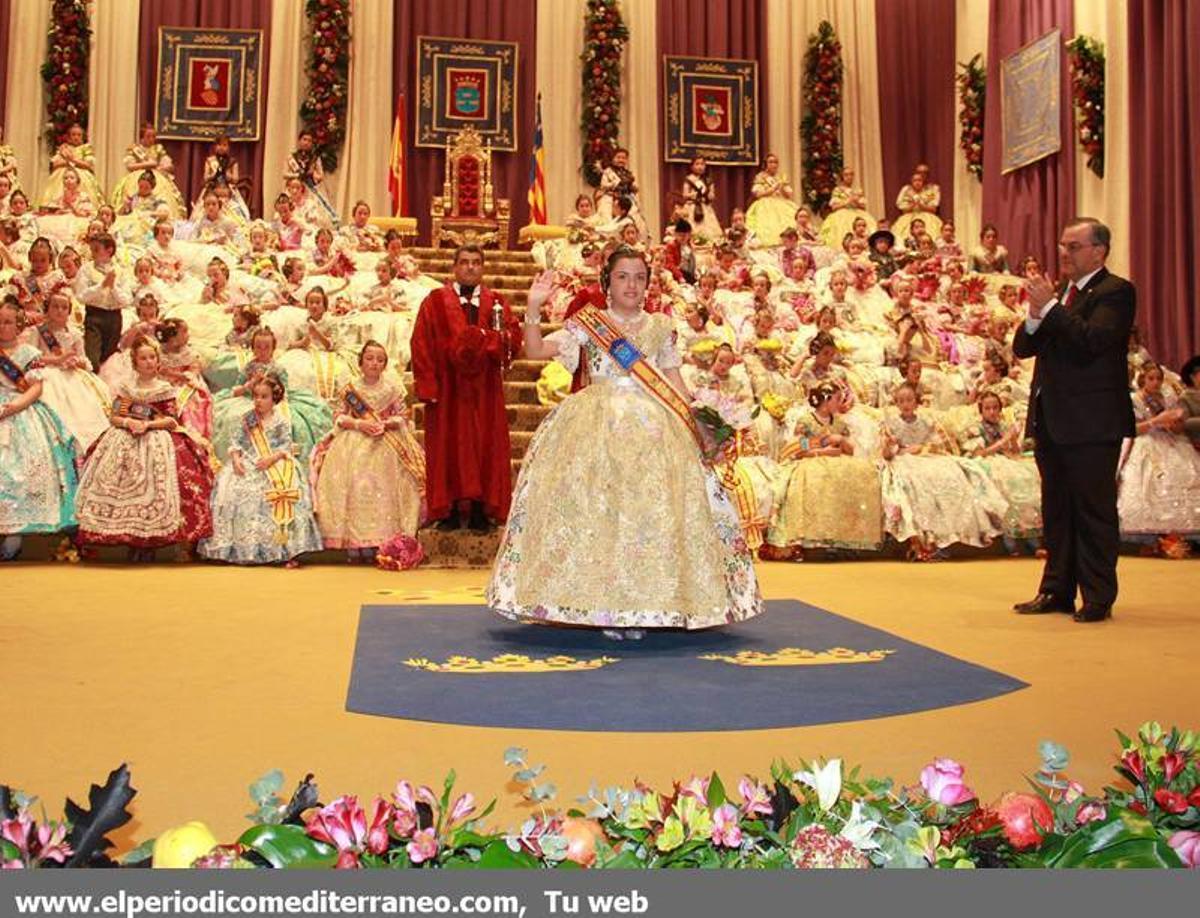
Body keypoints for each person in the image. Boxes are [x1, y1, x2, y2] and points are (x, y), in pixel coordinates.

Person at [487, 246, 762, 638]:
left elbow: (674, 382)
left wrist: (706, 420)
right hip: (593, 426)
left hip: (655, 429)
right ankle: (603, 604)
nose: (631, 285)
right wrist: (533, 306)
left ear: (648, 284)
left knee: (648, 517)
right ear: (607, 283)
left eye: (639, 277)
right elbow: (534, 350)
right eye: (622, 276)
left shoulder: (661, 326)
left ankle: (647, 605)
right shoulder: (589, 323)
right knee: (599, 513)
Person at [1013, 218, 1136, 622]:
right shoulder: (1062, 295)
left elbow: (1091, 342)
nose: (1064, 253)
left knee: (1093, 509)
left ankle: (1098, 596)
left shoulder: (1115, 292)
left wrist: (1048, 307)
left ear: (1098, 251)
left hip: (1092, 421)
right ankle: (1056, 591)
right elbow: (1023, 348)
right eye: (1062, 245)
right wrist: (1035, 313)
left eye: (1073, 246)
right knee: (1057, 508)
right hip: (1053, 418)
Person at [410, 244, 520, 531]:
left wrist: (486, 340)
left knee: (485, 446)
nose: (470, 267)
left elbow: (512, 339)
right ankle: (448, 509)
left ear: (482, 267)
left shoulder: (496, 302)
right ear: (454, 267)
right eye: (464, 262)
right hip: (448, 390)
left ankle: (483, 508)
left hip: (485, 388)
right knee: (449, 446)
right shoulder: (433, 302)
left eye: (476, 262)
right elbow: (420, 344)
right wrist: (428, 387)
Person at [312, 341, 425, 560]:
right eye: (369, 359)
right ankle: (353, 543)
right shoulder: (350, 388)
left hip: (386, 441)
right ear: (361, 362)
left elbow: (402, 417)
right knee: (353, 481)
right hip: (352, 441)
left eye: (380, 360)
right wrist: (359, 425)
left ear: (385, 365)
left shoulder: (392, 389)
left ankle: (383, 540)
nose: (374, 363)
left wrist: (386, 424)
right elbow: (339, 416)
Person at [198, 372, 323, 567]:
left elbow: (285, 446)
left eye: (264, 397)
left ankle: (282, 550)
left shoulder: (281, 420)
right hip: (248, 462)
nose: (258, 401)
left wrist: (271, 459)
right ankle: (241, 549)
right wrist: (236, 459)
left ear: (275, 399)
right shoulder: (248, 419)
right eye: (256, 396)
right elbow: (236, 442)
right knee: (233, 490)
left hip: (274, 463)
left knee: (278, 495)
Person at [0, 299, 79, 560]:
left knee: (24, 468)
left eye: (8, 322)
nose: (2, 326)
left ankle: (14, 535)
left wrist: (15, 406)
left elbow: (36, 387)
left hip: (20, 411)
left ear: (19, 325)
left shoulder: (28, 353)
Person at [745, 153, 799, 246]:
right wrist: (773, 188)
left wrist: (782, 187)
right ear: (766, 164)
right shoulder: (761, 176)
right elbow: (758, 194)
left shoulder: (781, 177)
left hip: (782, 204)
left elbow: (788, 194)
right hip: (765, 204)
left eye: (775, 162)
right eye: (770, 162)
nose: (773, 164)